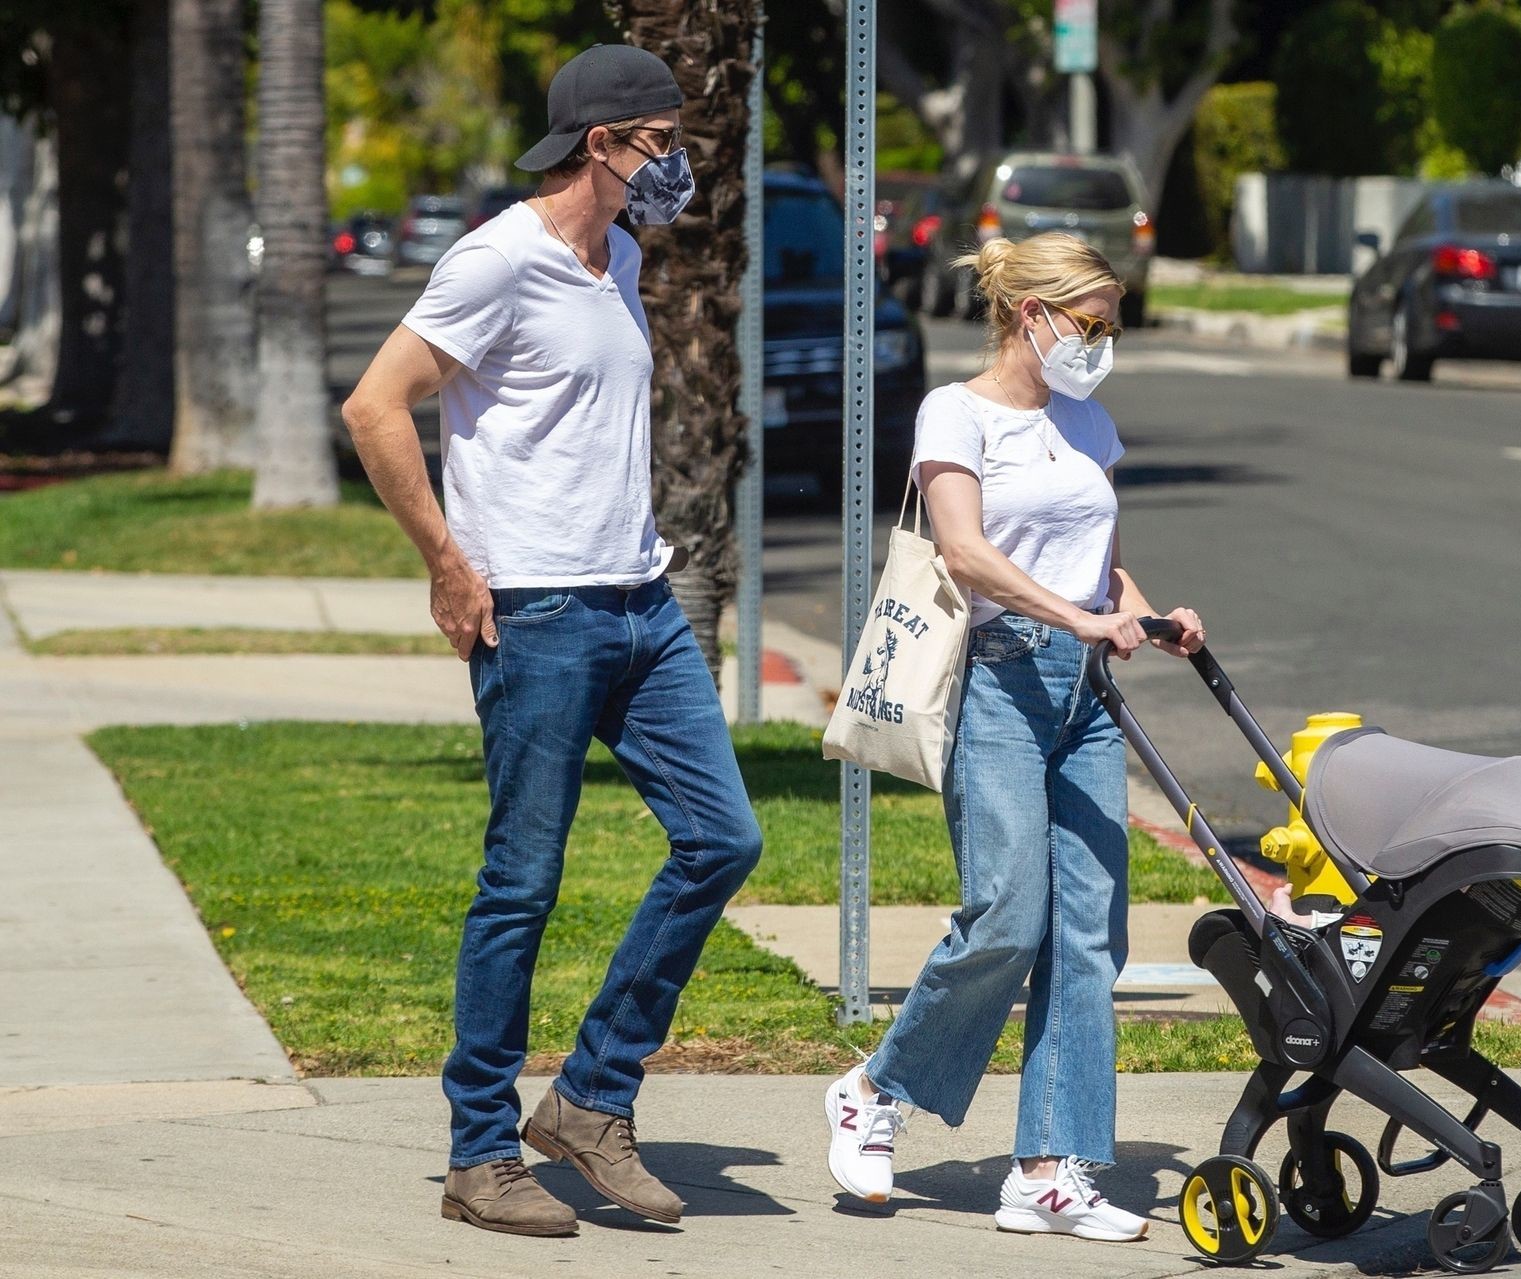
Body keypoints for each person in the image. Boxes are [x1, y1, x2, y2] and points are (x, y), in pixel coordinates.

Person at [342, 43, 759, 1238]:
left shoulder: (619, 255)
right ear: (602, 144)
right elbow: (375, 405)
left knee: (723, 837)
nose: (678, 162)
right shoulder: (496, 261)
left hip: (640, 601)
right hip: (536, 613)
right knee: (522, 882)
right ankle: (480, 1151)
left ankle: (588, 1098)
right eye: (663, 141)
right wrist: (446, 561)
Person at [822, 231, 1205, 1241]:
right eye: (1090, 323)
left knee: (1088, 931)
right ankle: (875, 1089)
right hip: (997, 680)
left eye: (1111, 326)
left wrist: (1150, 617)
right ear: (1031, 314)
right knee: (1005, 914)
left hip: (1084, 695)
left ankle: (1046, 1170)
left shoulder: (1089, 423)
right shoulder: (956, 412)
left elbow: (1103, 564)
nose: (1102, 342)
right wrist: (1076, 618)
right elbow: (964, 551)